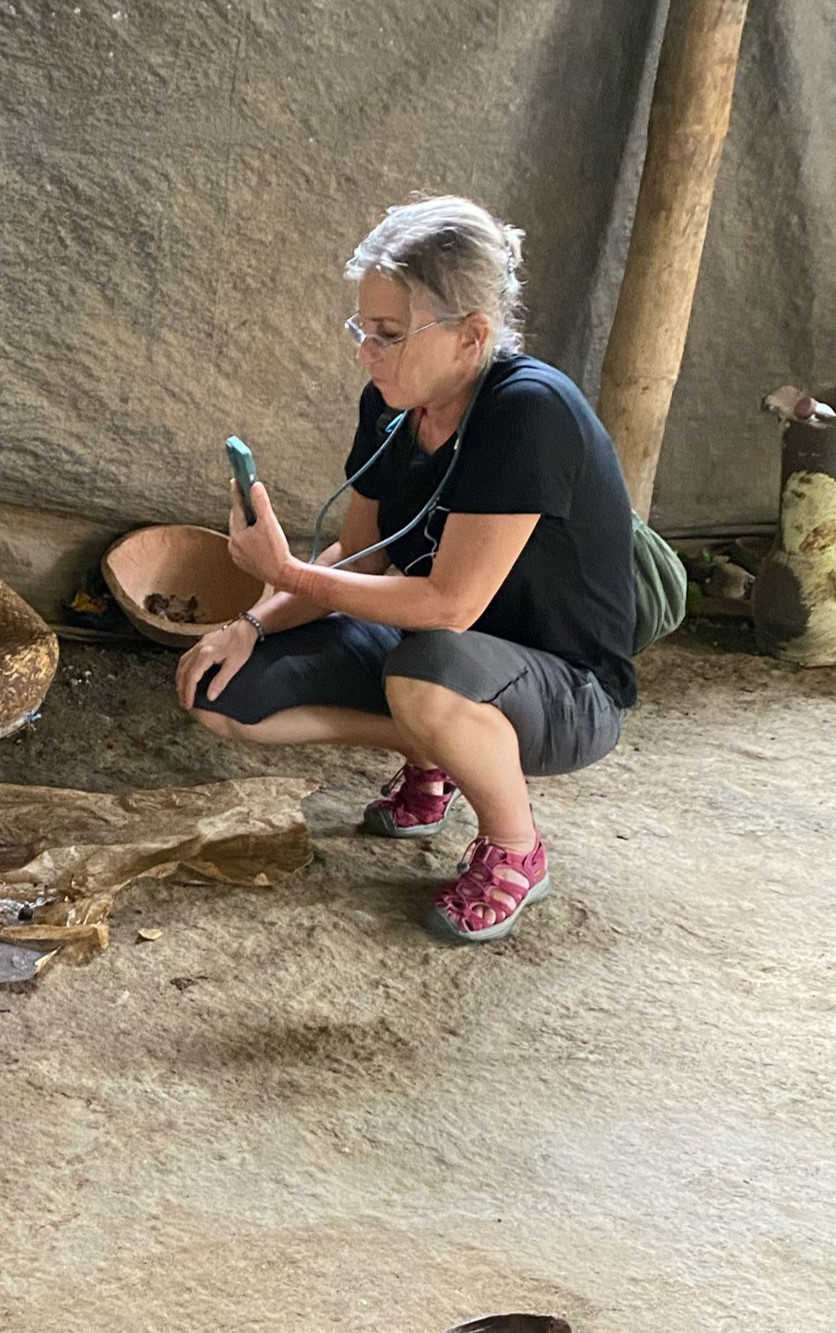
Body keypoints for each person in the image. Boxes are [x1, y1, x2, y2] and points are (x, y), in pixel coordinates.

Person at [178, 197, 637, 943]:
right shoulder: (392, 405)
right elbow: (357, 556)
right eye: (364, 330)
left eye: (389, 335)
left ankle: (517, 846)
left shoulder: (529, 412)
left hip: (567, 689)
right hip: (433, 658)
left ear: (471, 336)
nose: (367, 352)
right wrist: (249, 622)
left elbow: (451, 604)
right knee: (221, 691)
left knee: (426, 669)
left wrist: (287, 574)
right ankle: (437, 750)